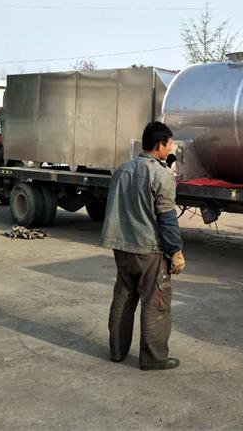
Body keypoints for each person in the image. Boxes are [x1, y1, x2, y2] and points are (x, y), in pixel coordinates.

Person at [100, 121, 185, 370]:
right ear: (159, 145)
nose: (171, 148)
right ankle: (154, 359)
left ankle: (117, 351)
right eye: (169, 143)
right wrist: (175, 251)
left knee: (123, 297)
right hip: (149, 251)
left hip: (121, 246)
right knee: (156, 303)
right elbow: (167, 218)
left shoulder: (122, 170)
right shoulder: (161, 175)